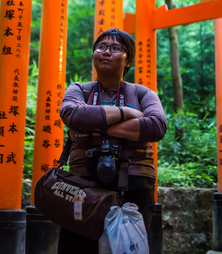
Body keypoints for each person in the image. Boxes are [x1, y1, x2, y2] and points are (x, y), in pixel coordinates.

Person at [58, 28, 167, 254]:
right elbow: (72, 115)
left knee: (128, 248)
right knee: (77, 247)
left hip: (134, 180)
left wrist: (92, 127)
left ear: (128, 61)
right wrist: (126, 112)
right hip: (82, 182)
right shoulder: (79, 89)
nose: (107, 52)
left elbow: (156, 126)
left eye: (116, 48)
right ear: (94, 54)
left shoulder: (143, 94)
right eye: (102, 47)